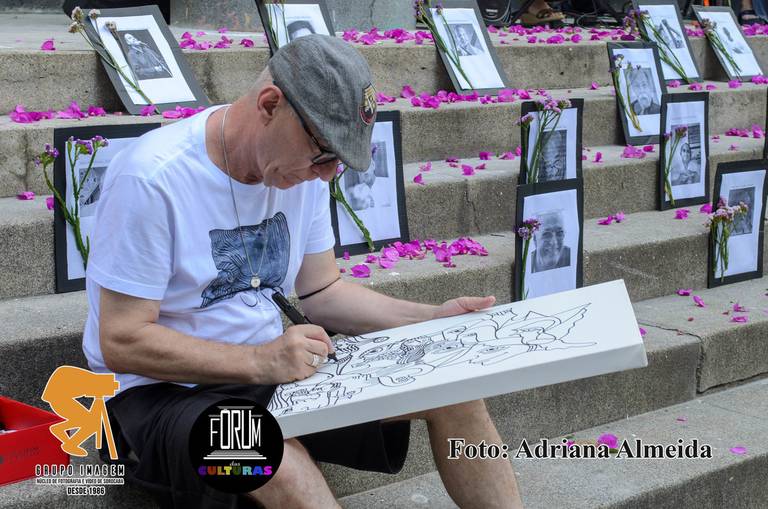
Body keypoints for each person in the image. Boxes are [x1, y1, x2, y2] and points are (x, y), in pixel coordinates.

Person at [84, 35, 523, 509]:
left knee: (456, 393)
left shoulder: (298, 172)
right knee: (274, 458)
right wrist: (261, 362)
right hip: (158, 395)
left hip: (272, 371)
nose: (329, 173)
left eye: (339, 160)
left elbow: (322, 291)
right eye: (323, 154)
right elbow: (122, 340)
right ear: (270, 105)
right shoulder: (152, 178)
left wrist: (428, 318)